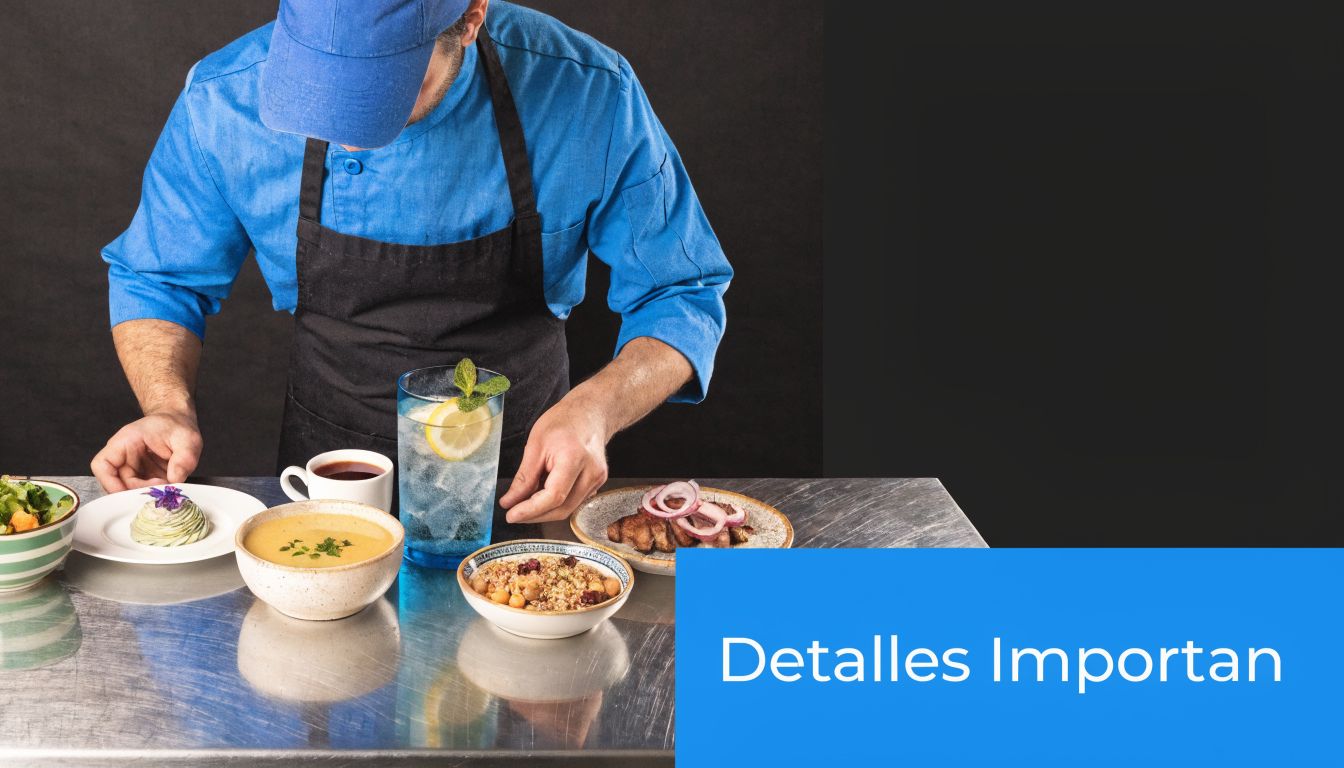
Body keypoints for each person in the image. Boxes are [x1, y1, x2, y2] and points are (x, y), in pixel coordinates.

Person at [92, 0, 731, 524]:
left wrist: (596, 410)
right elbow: (158, 278)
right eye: (317, 84)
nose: (343, 121)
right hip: (328, 472)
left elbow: (682, 290)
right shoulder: (223, 101)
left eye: (382, 86)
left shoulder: (588, 93)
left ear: (471, 18)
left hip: (527, 474)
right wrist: (167, 407)